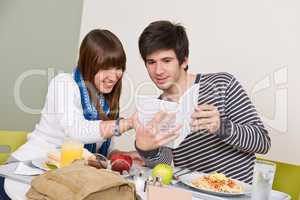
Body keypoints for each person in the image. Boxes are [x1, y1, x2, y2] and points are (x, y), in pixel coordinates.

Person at [134, 20, 271, 184]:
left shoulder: (222, 84)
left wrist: (222, 127)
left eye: (167, 61)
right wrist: (146, 149)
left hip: (237, 192)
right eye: (151, 62)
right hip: (194, 194)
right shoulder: (159, 109)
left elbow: (262, 142)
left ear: (184, 61)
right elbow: (163, 165)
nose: (158, 70)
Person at [12, 29, 142, 163]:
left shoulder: (104, 99)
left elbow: (98, 148)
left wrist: (119, 155)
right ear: (89, 65)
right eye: (105, 68)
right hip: (27, 167)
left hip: (62, 173)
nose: (114, 76)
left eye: (118, 67)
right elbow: (76, 131)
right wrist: (127, 123)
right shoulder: (63, 83)